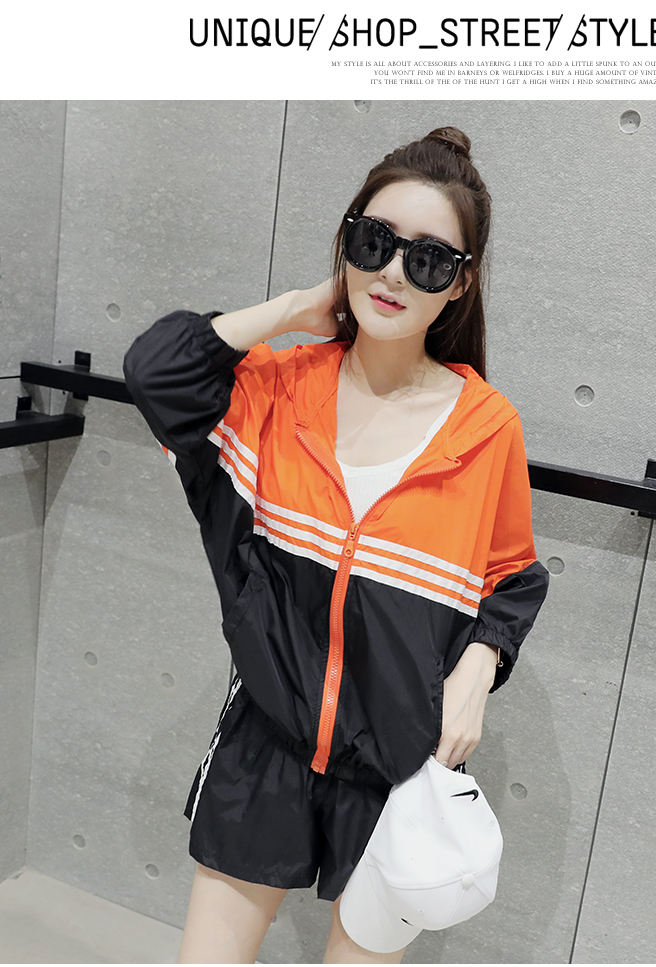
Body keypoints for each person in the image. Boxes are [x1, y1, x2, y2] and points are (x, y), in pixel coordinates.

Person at [123, 126, 549, 964]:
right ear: (348, 242)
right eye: (375, 241)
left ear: (461, 284)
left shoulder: (485, 428)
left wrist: (476, 669)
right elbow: (155, 370)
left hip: (395, 771)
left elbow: (512, 576)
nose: (394, 273)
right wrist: (294, 310)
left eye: (429, 259)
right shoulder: (274, 393)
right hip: (265, 743)